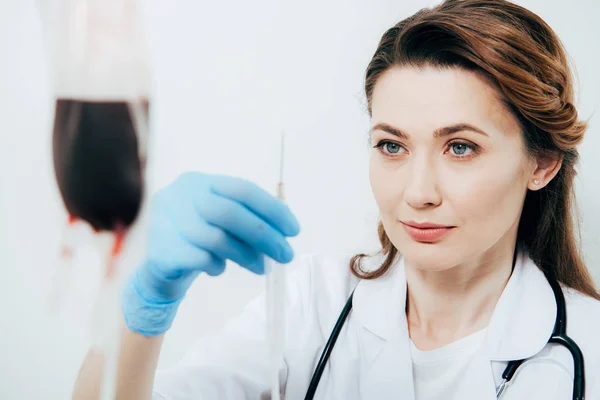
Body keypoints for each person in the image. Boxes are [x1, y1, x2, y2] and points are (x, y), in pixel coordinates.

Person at [72, 0, 600, 399]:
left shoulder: (589, 349)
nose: (417, 193)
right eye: (391, 145)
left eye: (460, 147)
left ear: (541, 163)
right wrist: (140, 302)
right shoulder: (312, 306)